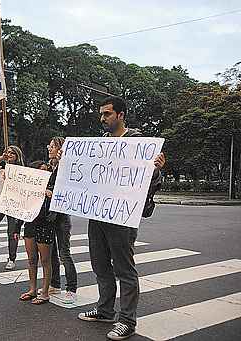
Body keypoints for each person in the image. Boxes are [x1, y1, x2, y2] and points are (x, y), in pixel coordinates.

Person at [77, 96, 165, 340]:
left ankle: (127, 320)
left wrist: (155, 169)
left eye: (107, 114)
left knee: (124, 269)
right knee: (100, 264)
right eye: (101, 114)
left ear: (121, 115)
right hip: (98, 213)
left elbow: (151, 181)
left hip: (122, 217)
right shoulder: (102, 142)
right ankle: (105, 310)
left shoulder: (137, 142)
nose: (102, 118)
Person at [43, 137, 78, 304]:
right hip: (50, 216)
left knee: (64, 254)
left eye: (53, 146)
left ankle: (71, 289)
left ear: (61, 149)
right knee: (51, 253)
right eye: (49, 146)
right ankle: (55, 284)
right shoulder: (51, 166)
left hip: (62, 217)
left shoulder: (66, 167)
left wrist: (52, 193)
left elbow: (68, 188)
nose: (49, 148)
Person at [18, 160, 50, 304]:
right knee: (31, 260)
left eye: (46, 170)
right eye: (41, 170)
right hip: (30, 226)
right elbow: (20, 208)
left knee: (45, 260)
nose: (44, 172)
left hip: (45, 226)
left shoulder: (50, 190)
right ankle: (32, 289)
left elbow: (53, 213)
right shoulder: (28, 190)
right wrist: (16, 228)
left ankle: (45, 292)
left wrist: (48, 196)